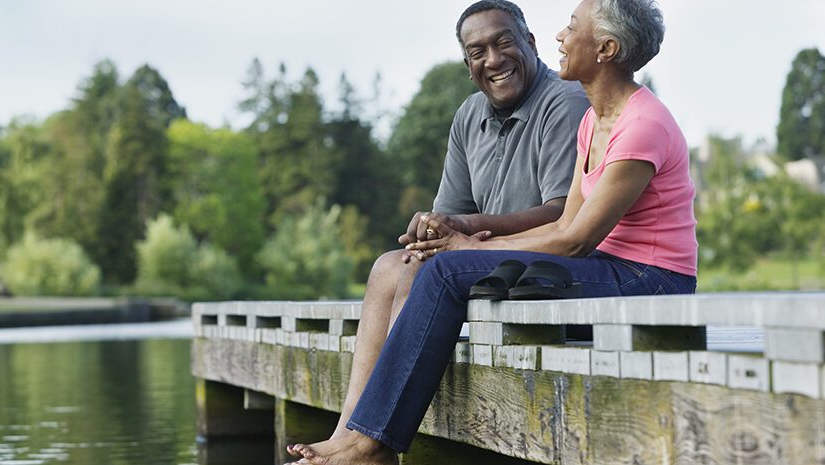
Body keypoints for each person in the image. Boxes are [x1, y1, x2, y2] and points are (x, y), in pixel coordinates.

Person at [285, 0, 696, 463]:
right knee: (432, 266)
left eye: (571, 27)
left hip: (652, 281)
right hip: (609, 269)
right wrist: (467, 246)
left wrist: (465, 246)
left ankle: (369, 444)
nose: (560, 36)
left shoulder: (642, 125)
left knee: (441, 273)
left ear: (605, 47)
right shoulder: (596, 120)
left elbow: (576, 239)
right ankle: (363, 437)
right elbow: (564, 228)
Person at [324, 0, 589, 444]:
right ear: (467, 64)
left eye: (504, 42)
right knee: (393, 263)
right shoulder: (469, 115)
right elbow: (453, 210)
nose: (493, 60)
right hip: (484, 262)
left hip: (539, 262)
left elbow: (564, 214)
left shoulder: (564, 101)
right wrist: (432, 228)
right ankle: (349, 429)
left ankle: (375, 438)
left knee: (426, 270)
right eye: (477, 51)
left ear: (530, 42)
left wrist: (463, 227)